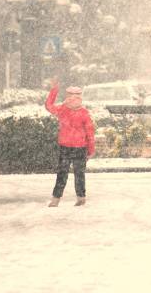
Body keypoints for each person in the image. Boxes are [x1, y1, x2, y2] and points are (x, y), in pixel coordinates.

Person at [45, 77, 95, 207]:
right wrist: (91, 150)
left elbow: (48, 106)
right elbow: (90, 133)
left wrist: (54, 89)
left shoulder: (62, 110)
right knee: (79, 174)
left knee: (62, 174)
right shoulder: (84, 113)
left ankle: (56, 199)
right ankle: (81, 197)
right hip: (80, 147)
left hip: (65, 146)